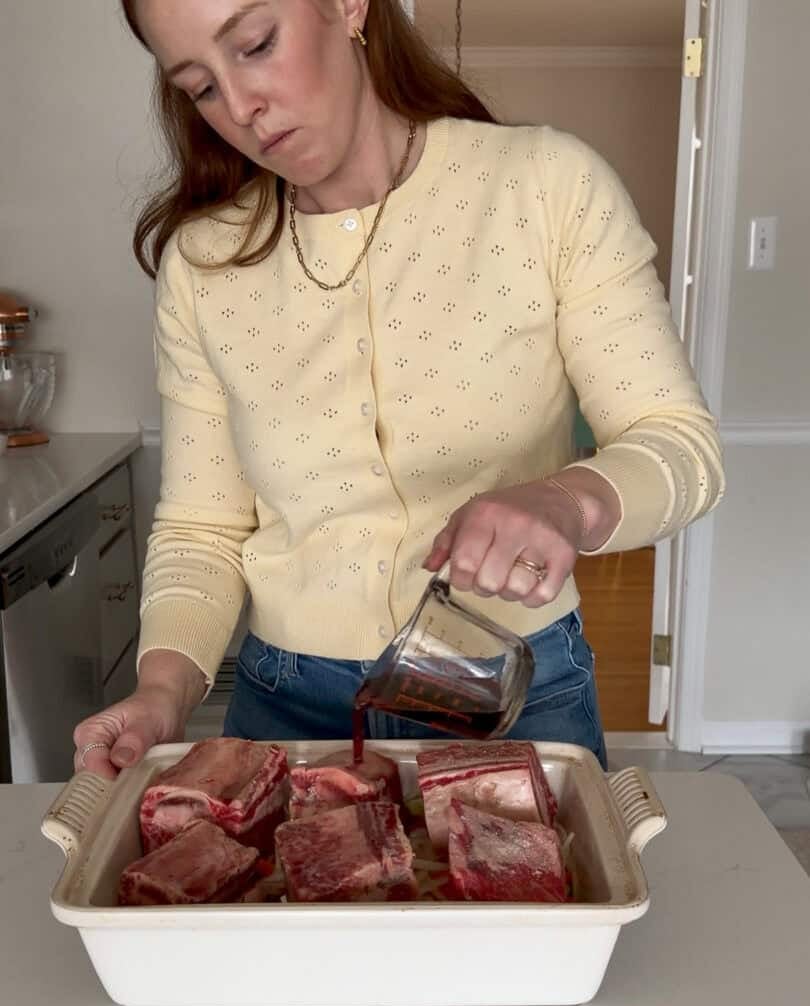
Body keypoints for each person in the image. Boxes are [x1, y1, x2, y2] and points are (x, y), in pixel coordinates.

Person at [73, 0, 724, 779]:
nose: (240, 108)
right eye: (200, 87)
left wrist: (567, 499)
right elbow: (202, 528)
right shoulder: (204, 264)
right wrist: (161, 691)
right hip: (286, 704)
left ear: (348, 5)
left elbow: (678, 445)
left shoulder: (546, 188)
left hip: (510, 687)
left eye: (254, 44)